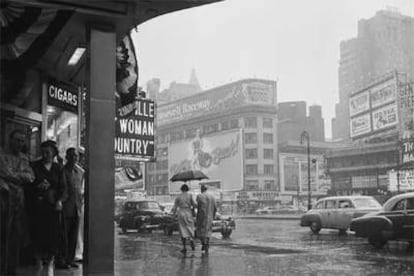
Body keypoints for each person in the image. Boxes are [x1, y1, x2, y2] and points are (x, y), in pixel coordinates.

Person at [27, 140, 66, 276]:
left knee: (52, 235)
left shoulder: (58, 168)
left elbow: (62, 187)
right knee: (38, 234)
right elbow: (28, 184)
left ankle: (50, 262)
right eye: (43, 152)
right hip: (38, 206)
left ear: (54, 153)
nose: (45, 155)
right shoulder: (34, 166)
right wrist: (37, 187)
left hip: (53, 206)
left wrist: (59, 200)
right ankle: (38, 263)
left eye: (48, 152)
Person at [0, 130, 35, 275]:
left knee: (15, 236)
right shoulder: (2, 155)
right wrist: (19, 177)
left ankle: (11, 268)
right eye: (17, 140)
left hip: (18, 203)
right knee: (2, 235)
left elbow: (31, 177)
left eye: (22, 141)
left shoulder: (24, 158)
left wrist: (14, 176)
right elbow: (4, 173)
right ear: (10, 139)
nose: (19, 144)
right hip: (3, 200)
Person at [60, 148, 84, 268]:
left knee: (73, 236)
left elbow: (80, 189)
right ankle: (62, 259)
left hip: (77, 207)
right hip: (65, 207)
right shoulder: (62, 171)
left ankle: (70, 259)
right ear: (67, 157)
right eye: (72, 156)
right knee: (64, 235)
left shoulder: (80, 172)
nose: (74, 158)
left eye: (76, 156)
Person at [171, 184, 197, 253]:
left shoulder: (178, 197)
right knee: (190, 228)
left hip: (181, 213)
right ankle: (191, 239)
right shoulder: (190, 195)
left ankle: (184, 247)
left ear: (181, 189)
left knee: (182, 230)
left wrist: (173, 216)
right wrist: (195, 207)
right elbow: (194, 204)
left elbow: (175, 207)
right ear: (187, 189)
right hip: (188, 212)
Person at [196, 184, 217, 253]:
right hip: (210, 217)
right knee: (208, 231)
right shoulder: (212, 196)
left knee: (199, 232)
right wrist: (213, 216)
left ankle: (203, 243)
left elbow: (198, 206)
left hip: (201, 216)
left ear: (201, 189)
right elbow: (215, 208)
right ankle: (206, 243)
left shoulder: (199, 196)